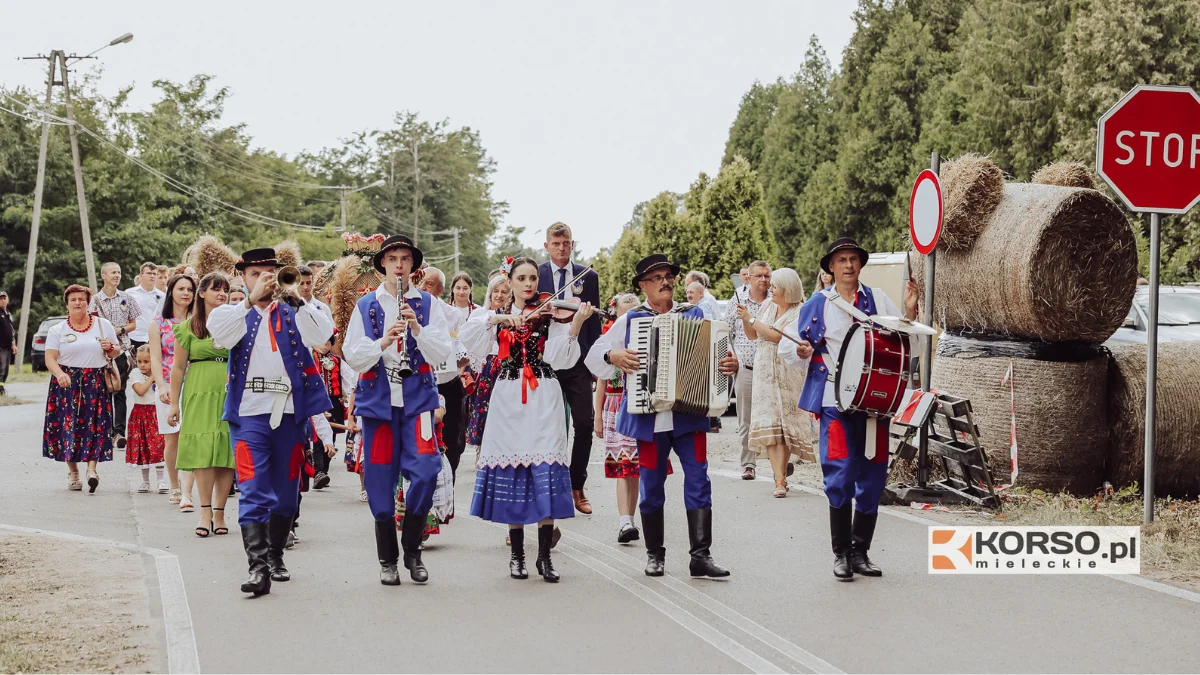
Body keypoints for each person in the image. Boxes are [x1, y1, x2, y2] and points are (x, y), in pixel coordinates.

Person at [587, 254, 738, 579]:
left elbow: (720, 359)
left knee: (699, 480)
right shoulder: (630, 320)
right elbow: (594, 356)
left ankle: (700, 556)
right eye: (657, 277)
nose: (665, 281)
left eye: (668, 276)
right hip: (649, 418)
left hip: (689, 416)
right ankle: (655, 555)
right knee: (652, 486)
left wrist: (730, 365)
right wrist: (612, 354)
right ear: (643, 286)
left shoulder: (694, 314)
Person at [780, 238, 920, 581]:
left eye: (853, 259)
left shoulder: (877, 300)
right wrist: (801, 352)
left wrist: (911, 312)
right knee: (839, 475)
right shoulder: (817, 304)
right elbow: (788, 346)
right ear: (830, 267)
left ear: (860, 264)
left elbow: (904, 344)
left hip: (873, 403)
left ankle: (861, 552)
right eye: (841, 260)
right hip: (834, 402)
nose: (847, 265)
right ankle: (841, 553)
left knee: (872, 479)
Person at [209, 247, 334, 597]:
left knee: (286, 497)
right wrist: (250, 301)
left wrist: (296, 297)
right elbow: (219, 336)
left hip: (290, 414)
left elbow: (322, 333)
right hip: (249, 414)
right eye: (255, 273)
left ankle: (276, 554)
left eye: (269, 272)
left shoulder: (294, 310)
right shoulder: (233, 314)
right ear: (243, 277)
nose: (264, 279)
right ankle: (258, 567)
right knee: (251, 489)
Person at [461, 256, 592, 583]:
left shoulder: (550, 314)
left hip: (544, 395)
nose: (529, 283)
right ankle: (517, 555)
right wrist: (501, 317)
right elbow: (469, 336)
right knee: (514, 470)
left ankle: (544, 557)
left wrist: (575, 324)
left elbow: (562, 357)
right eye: (522, 278)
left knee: (546, 468)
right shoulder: (496, 317)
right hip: (508, 398)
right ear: (511, 281)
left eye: (533, 277)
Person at [343, 235, 452, 587]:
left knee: (425, 471)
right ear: (384, 264)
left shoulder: (428, 304)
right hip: (379, 401)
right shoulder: (367, 305)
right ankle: (388, 559)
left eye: (406, 258)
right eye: (393, 258)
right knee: (378, 479)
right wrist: (384, 342)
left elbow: (441, 354)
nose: (400, 264)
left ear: (413, 265)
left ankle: (413, 549)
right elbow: (353, 354)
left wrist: (416, 328)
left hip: (417, 399)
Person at [538, 222, 601, 514]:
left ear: (572, 244)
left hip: (577, 361)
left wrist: (592, 359)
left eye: (566, 243)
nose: (561, 248)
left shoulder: (589, 277)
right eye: (556, 243)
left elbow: (594, 323)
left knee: (585, 424)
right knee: (549, 429)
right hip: (547, 362)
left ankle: (577, 485)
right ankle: (548, 488)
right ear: (547, 245)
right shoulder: (535, 275)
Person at [168, 272, 236, 538]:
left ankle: (220, 511)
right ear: (202, 293)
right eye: (216, 289)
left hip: (228, 391)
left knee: (225, 451)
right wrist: (173, 402)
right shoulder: (188, 327)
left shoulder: (235, 324)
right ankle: (205, 510)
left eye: (225, 290)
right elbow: (177, 367)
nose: (222, 294)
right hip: (197, 390)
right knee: (202, 451)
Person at [591, 293, 659, 543]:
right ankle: (624, 522)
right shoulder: (609, 345)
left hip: (640, 405)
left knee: (637, 467)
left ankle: (633, 517)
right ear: (616, 316)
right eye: (624, 314)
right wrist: (596, 416)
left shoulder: (646, 341)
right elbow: (601, 381)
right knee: (623, 467)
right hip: (615, 405)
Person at [738, 267, 811, 497]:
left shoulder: (801, 310)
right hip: (764, 371)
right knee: (769, 424)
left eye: (775, 286)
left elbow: (777, 335)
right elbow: (753, 335)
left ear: (787, 290)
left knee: (783, 427)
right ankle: (778, 478)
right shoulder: (768, 305)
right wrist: (745, 318)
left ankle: (780, 478)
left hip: (786, 371)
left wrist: (751, 318)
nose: (770, 289)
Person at [42, 284, 122, 492]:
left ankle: (92, 470)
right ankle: (74, 472)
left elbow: (116, 352)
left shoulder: (103, 325)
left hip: (95, 382)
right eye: (73, 300)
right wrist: (60, 374)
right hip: (67, 382)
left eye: (81, 299)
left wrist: (110, 348)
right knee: (69, 426)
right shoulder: (57, 329)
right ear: (67, 304)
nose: (78, 303)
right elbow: (50, 359)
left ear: (88, 302)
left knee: (95, 425)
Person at [149, 274, 195, 510]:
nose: (186, 293)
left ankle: (188, 490)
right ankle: (174, 484)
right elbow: (156, 358)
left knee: (194, 436)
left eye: (190, 289)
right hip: (167, 384)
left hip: (196, 384)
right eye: (181, 289)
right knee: (172, 438)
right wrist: (162, 385)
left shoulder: (199, 321)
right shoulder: (158, 323)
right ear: (171, 292)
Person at [421, 267, 470, 480]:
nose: (423, 287)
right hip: (420, 384)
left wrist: (457, 356)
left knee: (454, 442)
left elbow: (465, 352)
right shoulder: (407, 309)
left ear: (440, 289)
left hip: (448, 383)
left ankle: (448, 484)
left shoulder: (453, 315)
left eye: (429, 284)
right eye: (421, 282)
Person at [725, 260, 772, 480]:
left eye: (767, 275)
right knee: (745, 418)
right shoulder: (737, 301)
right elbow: (726, 334)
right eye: (759, 276)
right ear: (749, 278)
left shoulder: (775, 301)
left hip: (771, 367)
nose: (764, 280)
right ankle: (748, 464)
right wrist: (731, 358)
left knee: (773, 417)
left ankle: (778, 464)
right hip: (745, 366)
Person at [88, 262, 141, 450]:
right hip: (101, 352)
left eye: (119, 272)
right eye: (113, 272)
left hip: (122, 349)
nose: (117, 275)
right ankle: (104, 431)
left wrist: (120, 329)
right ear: (104, 275)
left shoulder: (126, 297)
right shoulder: (95, 300)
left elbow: (134, 323)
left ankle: (119, 432)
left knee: (119, 390)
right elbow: (90, 323)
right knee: (103, 392)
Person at [464, 274, 511, 458]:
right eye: (496, 291)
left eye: (504, 292)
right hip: (488, 369)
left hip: (507, 368)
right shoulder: (480, 315)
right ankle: (482, 453)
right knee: (485, 411)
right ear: (490, 293)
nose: (499, 295)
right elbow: (471, 345)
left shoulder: (514, 316)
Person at [127, 346, 166, 493]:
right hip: (139, 413)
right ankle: (145, 481)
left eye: (146, 361)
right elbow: (141, 391)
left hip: (155, 412)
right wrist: (152, 377)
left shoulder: (161, 374)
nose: (142, 365)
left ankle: (161, 480)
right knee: (142, 447)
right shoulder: (135, 374)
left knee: (157, 446)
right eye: (139, 361)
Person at [127, 263, 164, 355]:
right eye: (149, 273)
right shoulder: (129, 293)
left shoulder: (163, 296)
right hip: (134, 337)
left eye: (154, 274)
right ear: (141, 275)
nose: (152, 276)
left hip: (155, 337)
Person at [0, 291, 14, 397]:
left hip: (8, 345)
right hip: (1, 346)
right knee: (1, 367)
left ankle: (1, 387)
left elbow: (11, 330)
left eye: (4, 298)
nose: (3, 300)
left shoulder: (8, 313)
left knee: (6, 369)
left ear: (8, 299)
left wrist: (14, 344)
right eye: (0, 298)